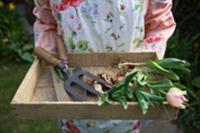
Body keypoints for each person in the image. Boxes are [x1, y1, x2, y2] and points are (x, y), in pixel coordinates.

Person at [33, 0, 176, 132]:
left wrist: (137, 70)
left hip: (125, 94)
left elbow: (159, 24)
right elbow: (47, 23)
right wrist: (54, 65)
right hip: (74, 93)